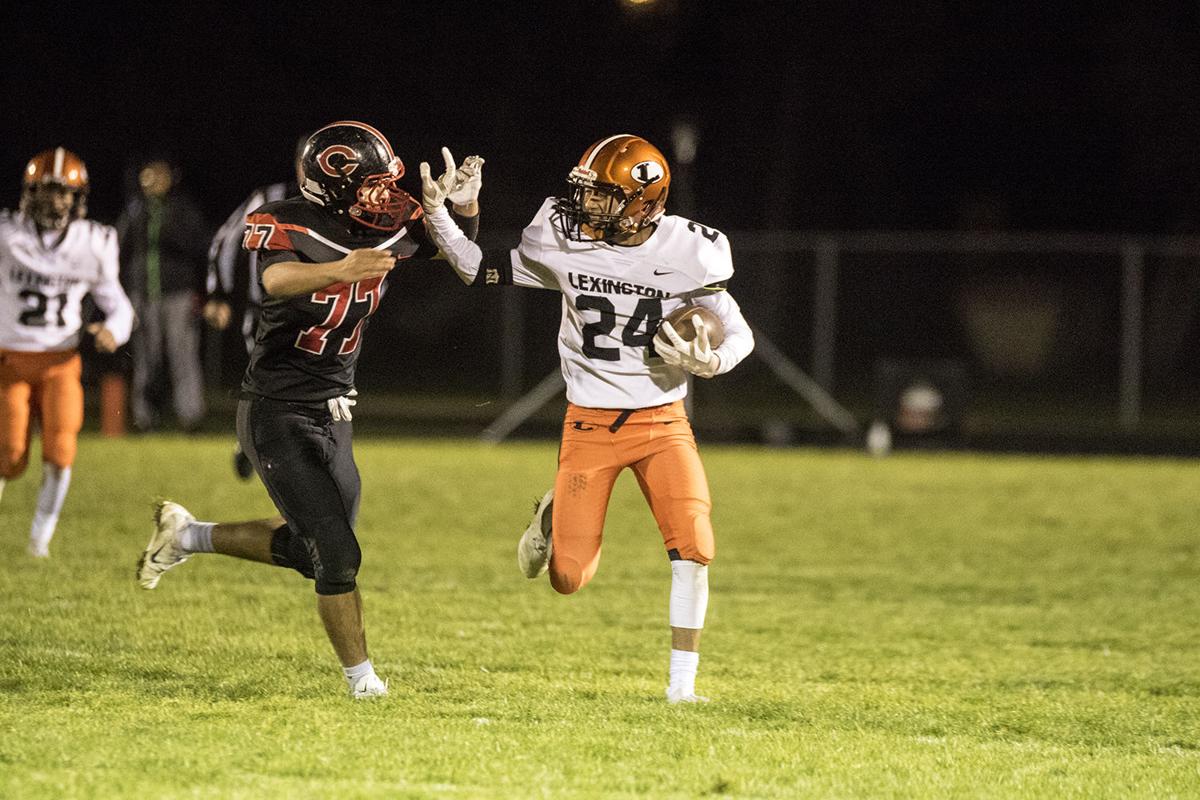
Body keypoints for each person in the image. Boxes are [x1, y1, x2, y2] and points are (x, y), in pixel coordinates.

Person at [135, 121, 481, 699]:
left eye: (384, 182)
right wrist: (340, 270)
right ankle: (363, 682)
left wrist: (464, 207)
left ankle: (186, 537)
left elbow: (460, 256)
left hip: (337, 408)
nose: (383, 196)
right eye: (368, 184)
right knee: (338, 552)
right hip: (275, 408)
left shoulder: (390, 222)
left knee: (311, 547)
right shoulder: (286, 220)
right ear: (328, 184)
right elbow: (275, 279)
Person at [419, 134, 754, 703]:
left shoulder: (691, 250)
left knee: (695, 545)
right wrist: (444, 214)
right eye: (587, 193)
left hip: (662, 422)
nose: (586, 205)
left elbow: (737, 330)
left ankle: (682, 690)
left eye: (602, 196)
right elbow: (480, 270)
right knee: (568, 577)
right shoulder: (561, 234)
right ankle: (552, 513)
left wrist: (713, 360)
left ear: (643, 202)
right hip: (589, 424)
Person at [0, 148, 134, 557]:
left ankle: (39, 544)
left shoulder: (93, 242)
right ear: (29, 193)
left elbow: (120, 306)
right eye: (46, 191)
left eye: (62, 193)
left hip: (60, 361)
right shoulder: (7, 234)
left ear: (78, 198)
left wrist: (113, 330)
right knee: (8, 455)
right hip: (10, 360)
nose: (53, 201)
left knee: (60, 450)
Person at [205, 171, 299, 479]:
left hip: (321, 316)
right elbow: (227, 240)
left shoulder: (343, 202)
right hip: (267, 312)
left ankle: (284, 448)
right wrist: (219, 293)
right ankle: (254, 441)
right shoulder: (268, 197)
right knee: (269, 385)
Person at [116, 158, 209, 432]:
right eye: (147, 176)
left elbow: (197, 245)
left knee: (183, 356)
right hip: (142, 292)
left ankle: (190, 415)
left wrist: (166, 225)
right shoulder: (136, 209)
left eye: (157, 176)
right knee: (145, 357)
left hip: (177, 293)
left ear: (169, 179)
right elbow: (120, 246)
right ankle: (144, 418)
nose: (151, 182)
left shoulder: (182, 208)